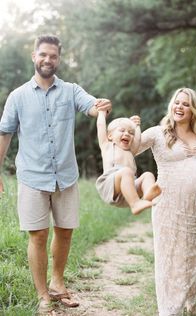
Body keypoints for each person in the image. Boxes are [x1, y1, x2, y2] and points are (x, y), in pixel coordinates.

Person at [0, 35, 112, 316]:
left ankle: (58, 284)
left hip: (66, 175)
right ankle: (42, 296)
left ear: (58, 59)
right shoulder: (18, 96)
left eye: (53, 56)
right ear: (34, 56)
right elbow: (4, 135)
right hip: (32, 177)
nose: (47, 60)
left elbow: (91, 106)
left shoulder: (71, 91)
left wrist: (101, 106)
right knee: (37, 236)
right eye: (43, 55)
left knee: (64, 232)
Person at [137, 87, 196, 316]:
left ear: (194, 110)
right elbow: (130, 147)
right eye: (177, 102)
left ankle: (191, 303)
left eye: (185, 104)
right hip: (168, 207)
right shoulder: (158, 133)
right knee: (171, 258)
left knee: (194, 256)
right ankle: (169, 310)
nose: (180, 107)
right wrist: (130, 128)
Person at [95, 110, 161, 215]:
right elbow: (100, 126)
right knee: (126, 171)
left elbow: (138, 139)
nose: (127, 134)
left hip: (129, 189)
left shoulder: (131, 151)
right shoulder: (107, 146)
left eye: (131, 133)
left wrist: (137, 126)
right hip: (110, 184)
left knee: (148, 175)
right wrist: (102, 113)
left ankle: (148, 194)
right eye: (122, 130)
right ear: (110, 136)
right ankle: (135, 204)